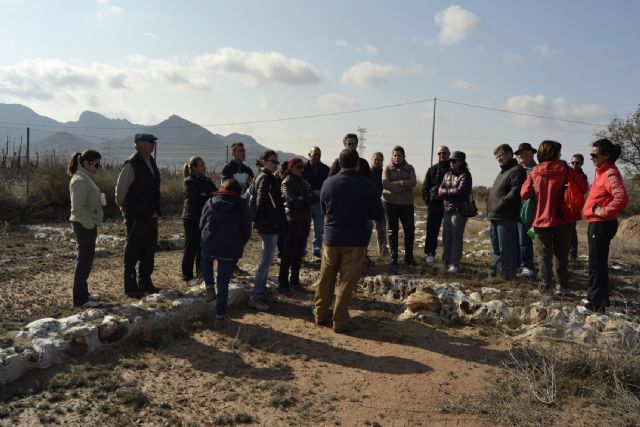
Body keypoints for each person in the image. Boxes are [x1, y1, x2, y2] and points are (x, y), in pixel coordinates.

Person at [313, 149, 384, 333]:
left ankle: (319, 314)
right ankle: (340, 321)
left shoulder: (328, 183)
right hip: (355, 240)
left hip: (331, 239)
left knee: (325, 278)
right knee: (346, 282)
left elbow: (323, 210)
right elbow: (378, 213)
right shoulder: (367, 185)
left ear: (339, 163)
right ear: (357, 164)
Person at [520, 140, 588, 296]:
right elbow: (583, 187)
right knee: (561, 254)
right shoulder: (566, 169)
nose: (561, 155)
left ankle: (545, 288)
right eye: (559, 152)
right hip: (564, 218)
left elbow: (523, 193)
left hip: (540, 219)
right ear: (555, 153)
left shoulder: (535, 171)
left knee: (544, 255)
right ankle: (562, 286)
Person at [580, 139, 628, 313]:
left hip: (601, 224)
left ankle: (594, 304)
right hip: (597, 224)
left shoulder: (610, 173)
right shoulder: (602, 171)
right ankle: (602, 300)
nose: (592, 158)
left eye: (595, 155)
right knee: (598, 264)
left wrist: (602, 211)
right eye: (591, 154)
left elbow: (621, 198)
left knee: (596, 265)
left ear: (606, 156)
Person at [200, 179, 252, 330]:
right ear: (238, 192)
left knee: (206, 260)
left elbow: (202, 223)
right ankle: (220, 317)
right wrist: (240, 242)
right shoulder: (242, 206)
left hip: (209, 243)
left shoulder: (210, 202)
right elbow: (246, 230)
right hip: (230, 248)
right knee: (223, 284)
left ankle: (209, 287)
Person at [115, 132, 161, 298]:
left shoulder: (151, 162)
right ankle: (131, 285)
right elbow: (120, 191)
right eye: (150, 142)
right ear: (140, 144)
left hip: (151, 215)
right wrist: (125, 209)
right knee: (133, 251)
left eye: (153, 142)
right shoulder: (131, 164)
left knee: (149, 250)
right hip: (136, 215)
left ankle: (146, 282)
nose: (153, 144)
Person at [249, 150, 286, 312]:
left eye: (277, 162)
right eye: (272, 161)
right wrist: (263, 220)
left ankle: (261, 291)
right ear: (263, 161)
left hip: (268, 224)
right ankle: (256, 295)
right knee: (265, 261)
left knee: (267, 259)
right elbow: (261, 201)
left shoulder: (264, 176)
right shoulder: (265, 178)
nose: (275, 165)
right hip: (268, 225)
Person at [68, 150, 104, 308]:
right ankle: (80, 299)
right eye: (96, 163)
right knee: (83, 262)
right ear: (87, 163)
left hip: (87, 224)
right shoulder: (80, 180)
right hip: (83, 225)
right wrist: (89, 224)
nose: (98, 167)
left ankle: (84, 294)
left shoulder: (85, 177)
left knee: (86, 261)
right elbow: (77, 208)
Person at [487, 144, 526, 280]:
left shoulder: (517, 170)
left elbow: (515, 192)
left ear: (510, 153)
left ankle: (508, 274)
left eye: (501, 155)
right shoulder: (502, 172)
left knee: (506, 247)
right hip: (495, 216)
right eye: (497, 157)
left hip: (506, 216)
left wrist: (499, 205)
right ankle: (499, 271)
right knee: (496, 247)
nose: (499, 159)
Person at [279, 157, 318, 293]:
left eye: (302, 167)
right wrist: (306, 197)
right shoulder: (287, 182)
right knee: (289, 252)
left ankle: (294, 280)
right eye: (298, 167)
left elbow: (312, 198)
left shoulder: (303, 182)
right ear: (291, 168)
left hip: (305, 220)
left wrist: (304, 198)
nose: (302, 169)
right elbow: (292, 201)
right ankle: (283, 283)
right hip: (292, 220)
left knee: (299, 252)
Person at [181, 156, 218, 295]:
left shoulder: (207, 180)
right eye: (201, 165)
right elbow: (194, 198)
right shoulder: (189, 181)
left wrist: (206, 195)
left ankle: (201, 274)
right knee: (191, 246)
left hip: (205, 218)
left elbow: (216, 194)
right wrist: (208, 195)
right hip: (191, 218)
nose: (204, 167)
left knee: (202, 248)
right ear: (194, 167)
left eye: (204, 164)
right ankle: (188, 276)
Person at [382, 145, 417, 272]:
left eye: (400, 155)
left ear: (404, 156)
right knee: (392, 230)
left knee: (409, 230)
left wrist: (395, 185)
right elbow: (385, 183)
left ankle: (409, 257)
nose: (397, 158)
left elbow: (413, 182)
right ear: (392, 156)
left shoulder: (410, 168)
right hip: (390, 203)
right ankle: (394, 257)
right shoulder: (387, 168)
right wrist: (403, 185)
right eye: (395, 155)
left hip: (406, 203)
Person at [438, 151, 472, 274]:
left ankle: (454, 264)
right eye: (450, 161)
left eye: (454, 160)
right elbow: (439, 191)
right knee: (446, 237)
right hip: (447, 209)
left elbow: (460, 192)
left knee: (456, 238)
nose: (451, 163)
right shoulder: (447, 174)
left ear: (461, 162)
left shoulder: (466, 175)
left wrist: (446, 192)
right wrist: (448, 192)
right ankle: (445, 261)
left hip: (459, 210)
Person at [422, 146, 450, 264]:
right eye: (439, 153)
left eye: (444, 153)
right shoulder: (432, 169)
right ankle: (430, 253)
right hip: (435, 204)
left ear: (448, 154)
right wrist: (428, 202)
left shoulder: (453, 168)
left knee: (450, 231)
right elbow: (425, 187)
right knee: (432, 229)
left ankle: (448, 256)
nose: (441, 155)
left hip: (450, 204)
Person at [514, 143, 538, 278]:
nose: (520, 156)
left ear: (532, 154)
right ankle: (518, 263)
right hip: (516, 210)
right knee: (517, 238)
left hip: (530, 211)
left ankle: (527, 265)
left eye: (524, 153)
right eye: (518, 154)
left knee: (526, 238)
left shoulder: (536, 170)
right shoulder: (516, 169)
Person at [303, 146, 330, 258]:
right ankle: (302, 251)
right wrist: (313, 192)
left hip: (319, 203)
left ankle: (317, 250)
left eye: (319, 155)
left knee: (319, 229)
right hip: (305, 203)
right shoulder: (303, 168)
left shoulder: (325, 169)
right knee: (304, 229)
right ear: (309, 155)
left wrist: (321, 193)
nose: (317, 157)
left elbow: (328, 183)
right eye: (315, 155)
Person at [569, 153, 589, 261]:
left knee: (571, 230)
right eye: (572, 162)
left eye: (577, 163)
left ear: (582, 164)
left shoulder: (582, 176)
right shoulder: (566, 174)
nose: (574, 165)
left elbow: (583, 190)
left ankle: (572, 255)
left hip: (574, 207)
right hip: (565, 206)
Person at [370, 152, 388, 256]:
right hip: (369, 203)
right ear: (372, 160)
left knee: (381, 228)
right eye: (375, 159)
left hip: (381, 203)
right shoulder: (368, 172)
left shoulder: (384, 172)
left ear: (382, 161)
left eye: (379, 160)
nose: (377, 161)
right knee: (366, 228)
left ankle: (382, 250)